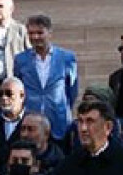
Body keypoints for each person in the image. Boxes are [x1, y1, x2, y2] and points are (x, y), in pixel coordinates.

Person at [13, 14, 80, 147]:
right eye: (31, 33)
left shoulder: (67, 58)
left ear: (49, 33)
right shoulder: (20, 59)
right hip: (31, 120)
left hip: (58, 121)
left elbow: (72, 90)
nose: (35, 37)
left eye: (39, 33)